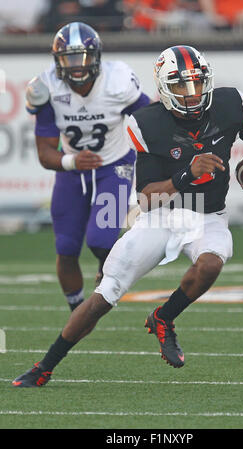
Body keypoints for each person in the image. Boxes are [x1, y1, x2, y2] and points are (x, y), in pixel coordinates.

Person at [12, 44, 243, 387]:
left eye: (197, 84)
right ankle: (44, 367)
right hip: (161, 215)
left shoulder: (230, 103)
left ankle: (163, 317)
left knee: (211, 262)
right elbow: (146, 196)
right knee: (105, 295)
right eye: (180, 86)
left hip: (208, 215)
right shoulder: (148, 123)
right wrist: (187, 173)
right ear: (162, 88)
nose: (190, 94)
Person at [25, 21, 150, 311]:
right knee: (66, 247)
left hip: (115, 165)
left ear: (96, 57)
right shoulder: (46, 89)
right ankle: (76, 309)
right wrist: (71, 160)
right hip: (73, 172)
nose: (77, 66)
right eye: (69, 58)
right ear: (58, 60)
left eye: (82, 57)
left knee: (100, 240)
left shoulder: (117, 80)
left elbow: (148, 118)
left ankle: (107, 272)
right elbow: (45, 153)